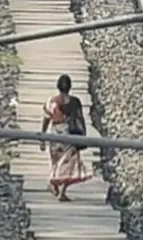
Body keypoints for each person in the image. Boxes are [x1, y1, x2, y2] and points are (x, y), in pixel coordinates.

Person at [40, 74, 93, 202]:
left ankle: (54, 184)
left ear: (57, 86)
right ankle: (62, 191)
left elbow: (46, 119)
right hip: (69, 135)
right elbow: (80, 119)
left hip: (55, 133)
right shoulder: (75, 102)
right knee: (69, 165)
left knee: (55, 162)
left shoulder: (52, 101)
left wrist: (42, 135)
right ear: (70, 87)